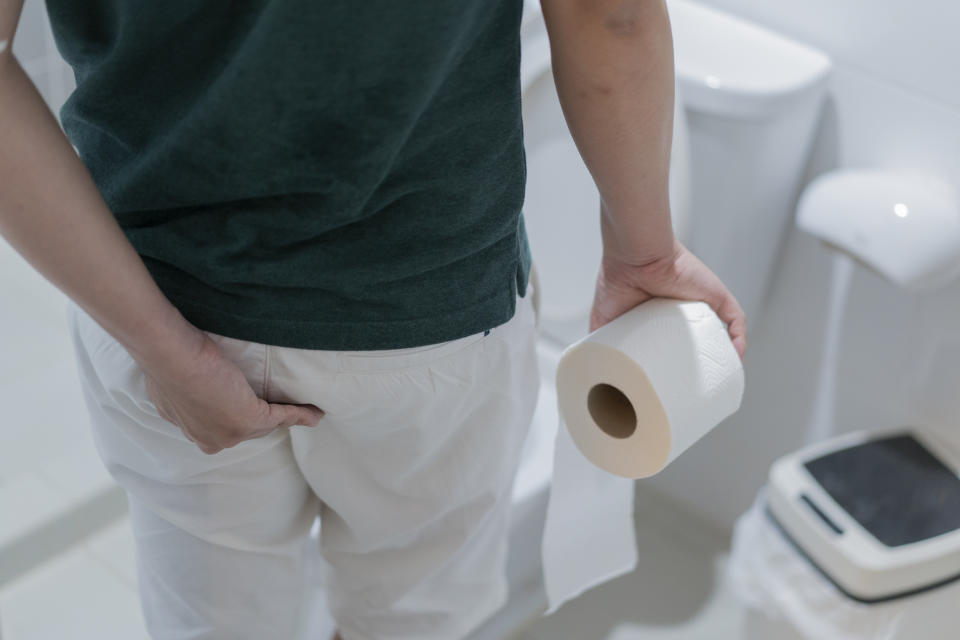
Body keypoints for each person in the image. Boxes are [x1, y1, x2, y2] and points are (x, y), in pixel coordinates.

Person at [0, 0, 746, 638]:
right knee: (411, 620)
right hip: (429, 316)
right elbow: (606, 14)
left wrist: (165, 349)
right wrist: (644, 255)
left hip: (158, 292)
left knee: (214, 622)